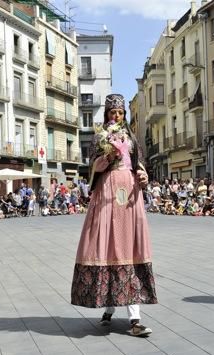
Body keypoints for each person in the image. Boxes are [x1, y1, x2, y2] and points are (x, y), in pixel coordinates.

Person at [71, 94, 157, 336]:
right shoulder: (100, 137)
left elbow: (139, 164)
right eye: (112, 112)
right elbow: (93, 167)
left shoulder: (130, 137)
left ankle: (135, 317)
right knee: (109, 246)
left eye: (120, 112)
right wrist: (107, 156)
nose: (116, 116)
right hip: (107, 193)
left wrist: (143, 176)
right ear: (107, 113)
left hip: (129, 195)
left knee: (130, 247)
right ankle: (109, 308)